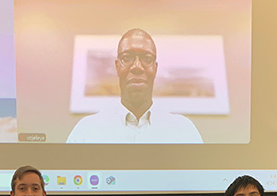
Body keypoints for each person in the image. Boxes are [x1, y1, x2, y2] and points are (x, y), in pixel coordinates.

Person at [66, 29, 203, 144]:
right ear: (117, 67)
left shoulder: (184, 132)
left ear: (155, 69)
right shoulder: (86, 132)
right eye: (127, 58)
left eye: (147, 58)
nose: (137, 67)